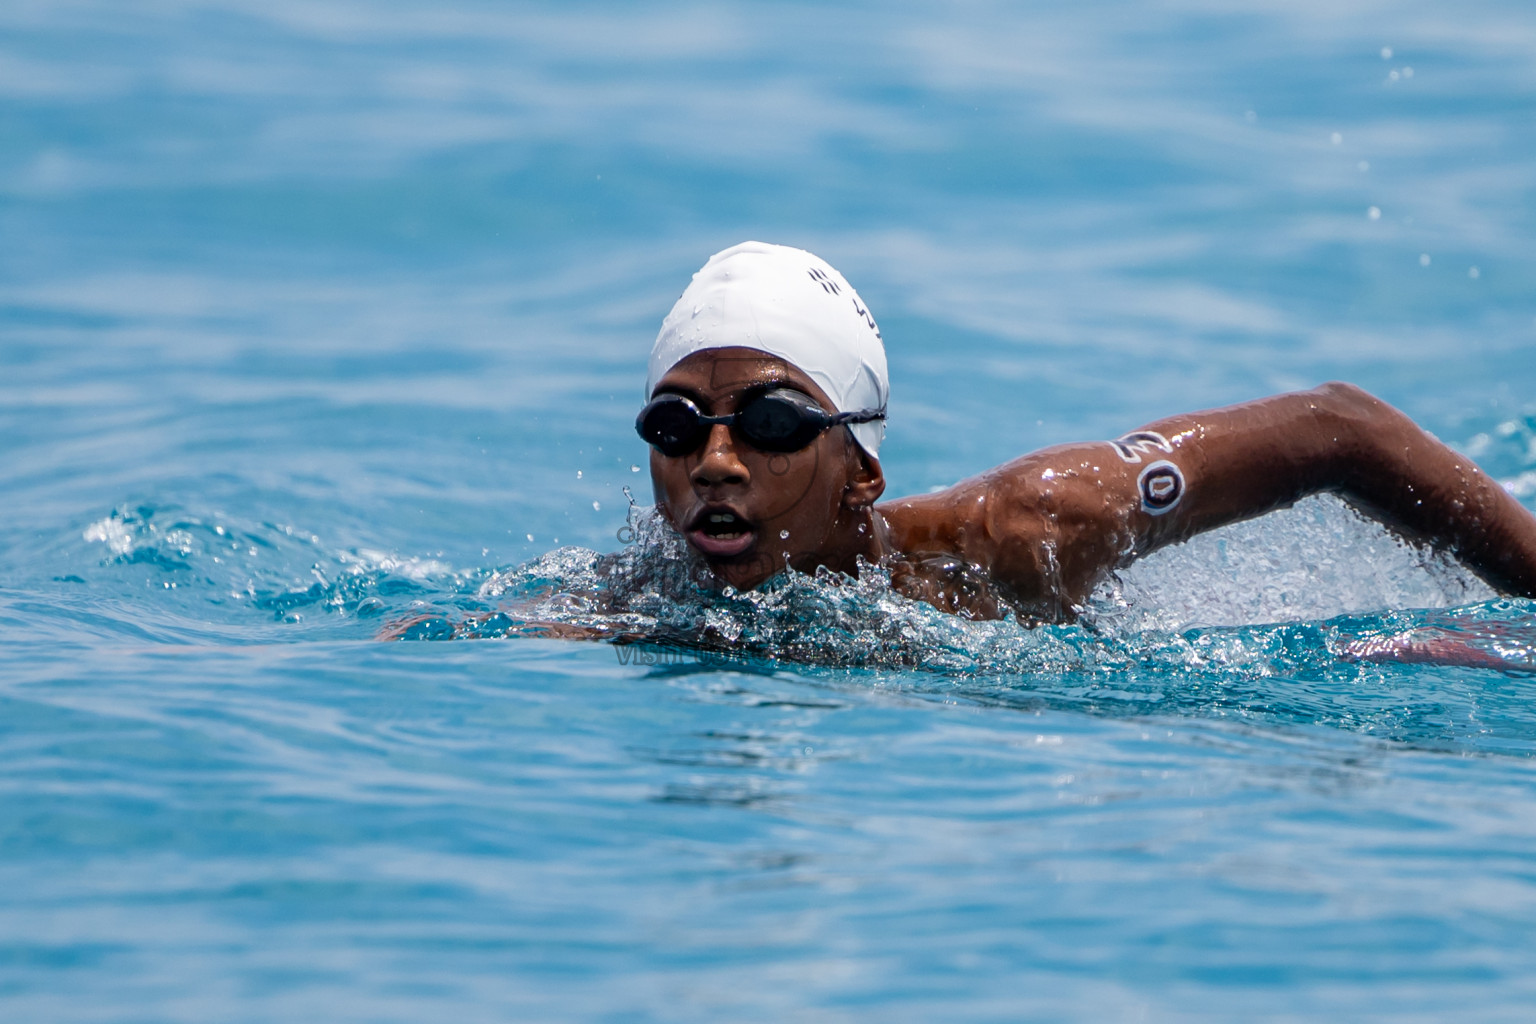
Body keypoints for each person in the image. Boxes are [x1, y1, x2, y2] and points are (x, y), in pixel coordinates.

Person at [637, 240, 1536, 624]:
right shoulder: (634, 604)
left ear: (862, 470)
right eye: (677, 427)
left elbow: (1340, 428)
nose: (715, 463)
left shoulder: (1023, 536)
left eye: (771, 423)